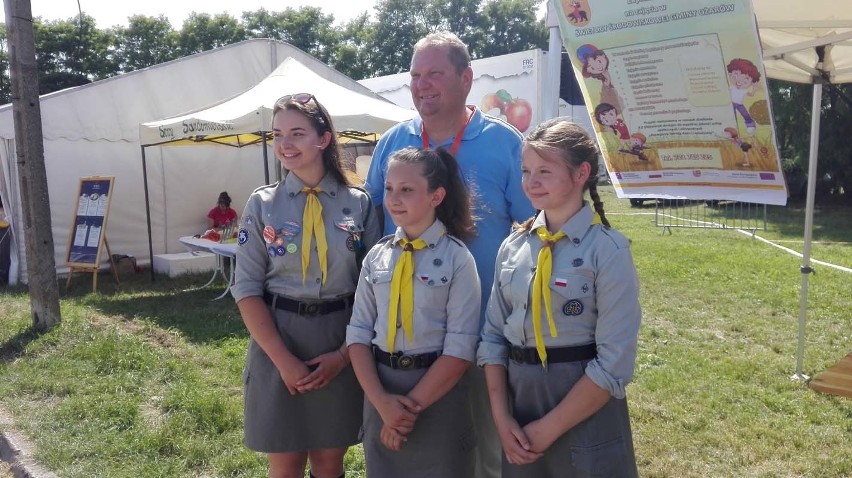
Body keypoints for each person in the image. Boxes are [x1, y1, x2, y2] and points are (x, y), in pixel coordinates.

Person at [364, 31, 534, 478]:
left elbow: (534, 231)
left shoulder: (506, 144)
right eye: (416, 76)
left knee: (486, 455)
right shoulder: (392, 143)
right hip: (402, 341)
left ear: (466, 79)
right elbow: (372, 229)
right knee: (406, 453)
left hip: (481, 339)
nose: (422, 85)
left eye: (435, 73)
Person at [478, 119, 641, 477]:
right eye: (525, 170)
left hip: (584, 404)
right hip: (519, 405)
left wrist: (549, 428)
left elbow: (614, 361)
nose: (531, 182)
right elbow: (492, 337)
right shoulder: (513, 247)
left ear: (581, 172)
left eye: (544, 171)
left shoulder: (608, 251)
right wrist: (502, 418)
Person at [231, 93, 381, 478]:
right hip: (279, 338)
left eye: (297, 133)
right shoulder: (263, 204)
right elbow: (246, 289)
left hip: (341, 336)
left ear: (324, 139)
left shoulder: (360, 204)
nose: (285, 144)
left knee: (330, 463)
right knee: (286, 464)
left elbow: (373, 291)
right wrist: (284, 362)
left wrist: (344, 355)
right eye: (278, 134)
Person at [348, 147, 481, 477]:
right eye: (390, 188)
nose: (394, 199)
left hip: (437, 392)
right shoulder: (376, 257)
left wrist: (405, 413)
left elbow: (460, 349)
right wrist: (382, 403)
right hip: (381, 388)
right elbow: (358, 334)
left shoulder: (458, 259)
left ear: (436, 195)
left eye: (407, 190)